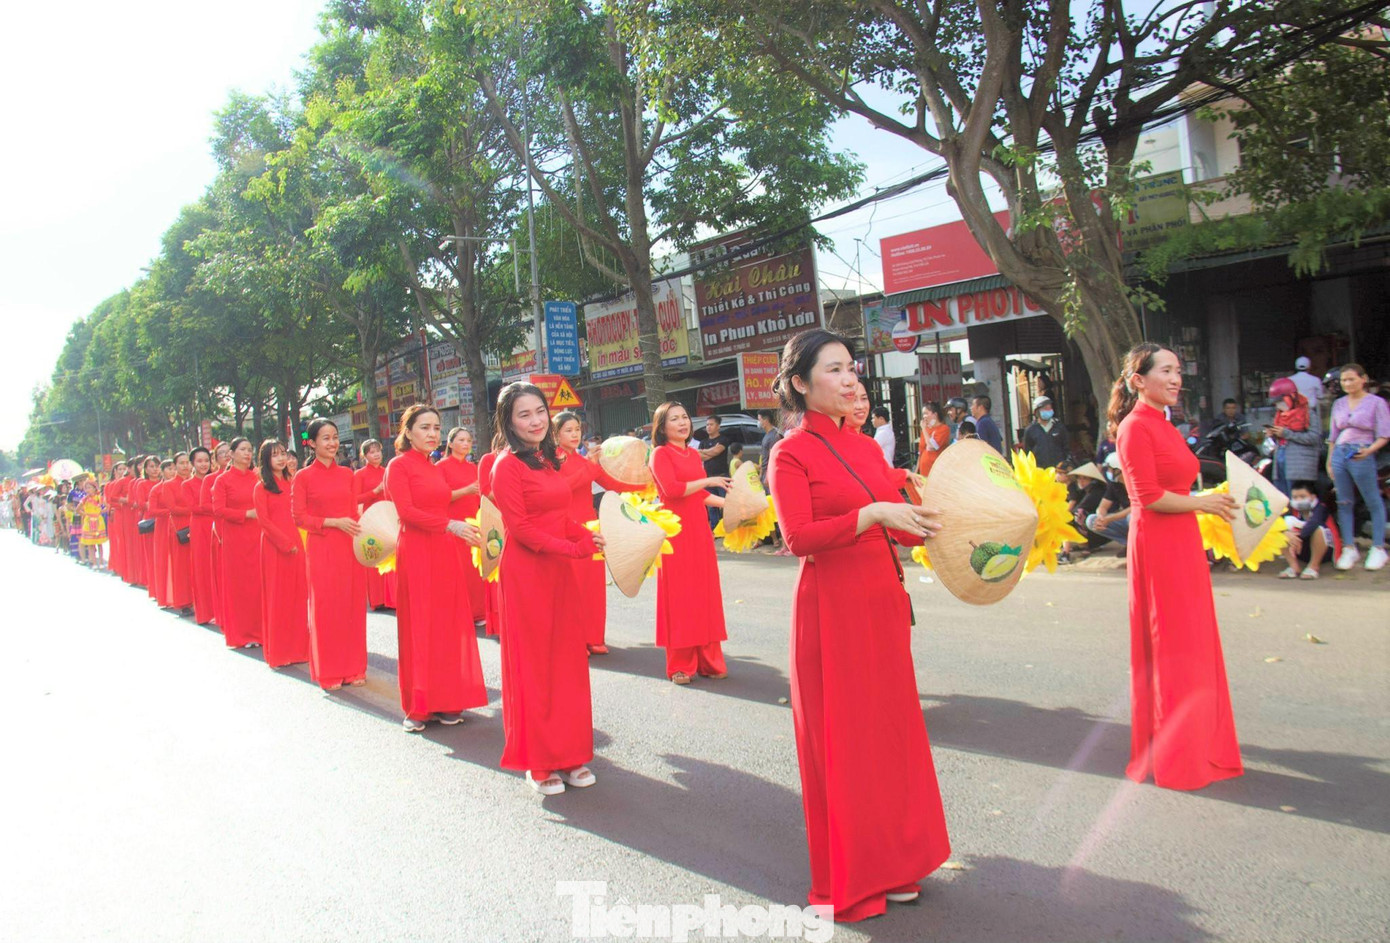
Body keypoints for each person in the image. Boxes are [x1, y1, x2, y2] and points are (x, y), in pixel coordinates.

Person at [766, 328, 950, 921]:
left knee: (889, 736)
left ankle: (899, 860)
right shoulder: (789, 452)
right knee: (848, 744)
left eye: (852, 368)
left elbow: (899, 527)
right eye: (835, 370)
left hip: (880, 602)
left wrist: (934, 516)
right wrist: (871, 511)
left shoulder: (868, 447)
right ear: (800, 383)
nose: (850, 380)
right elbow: (798, 538)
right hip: (832, 609)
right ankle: (859, 873)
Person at [1112, 342, 1243, 790]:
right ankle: (1178, 753)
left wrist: (1211, 503)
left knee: (1194, 640)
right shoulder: (1134, 428)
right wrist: (1202, 504)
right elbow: (1147, 497)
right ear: (1138, 381)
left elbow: (1181, 482)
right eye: (1165, 370)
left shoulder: (1166, 425)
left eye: (1178, 370)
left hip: (1183, 540)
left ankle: (1202, 738)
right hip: (1158, 546)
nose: (1175, 378)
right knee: (1172, 645)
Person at [490, 383, 605, 795]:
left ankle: (572, 753)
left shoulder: (546, 459)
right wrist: (571, 549)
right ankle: (540, 763)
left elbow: (560, 514)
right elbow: (520, 529)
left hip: (558, 568)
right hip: (527, 572)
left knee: (566, 664)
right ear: (508, 420)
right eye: (524, 414)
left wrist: (587, 535)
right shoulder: (506, 466)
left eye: (540, 411)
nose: (536, 421)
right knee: (536, 667)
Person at [386, 405, 488, 733]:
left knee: (446, 625)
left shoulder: (433, 467)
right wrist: (449, 526)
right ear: (408, 431)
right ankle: (418, 706)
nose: (432, 433)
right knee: (421, 624)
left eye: (436, 427)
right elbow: (406, 512)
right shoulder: (399, 466)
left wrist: (461, 531)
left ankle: (447, 700)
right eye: (424, 427)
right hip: (417, 550)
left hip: (445, 550)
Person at [650, 401, 732, 685]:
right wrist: (709, 480)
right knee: (681, 597)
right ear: (662, 427)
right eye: (674, 419)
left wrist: (732, 505)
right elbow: (672, 491)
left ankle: (710, 661)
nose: (683, 423)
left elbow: (698, 496)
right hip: (675, 534)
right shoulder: (660, 454)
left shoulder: (692, 455)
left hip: (699, 530)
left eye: (684, 417)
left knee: (704, 594)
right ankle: (681, 664)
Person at [554, 411, 643, 655]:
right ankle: (573, 640)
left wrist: (647, 483)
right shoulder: (551, 461)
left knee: (592, 585)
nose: (574, 434)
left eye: (577, 430)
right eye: (568, 430)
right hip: (564, 528)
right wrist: (589, 468)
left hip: (590, 526)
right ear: (556, 434)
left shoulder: (586, 461)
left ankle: (593, 636)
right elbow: (560, 489)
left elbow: (613, 484)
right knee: (571, 586)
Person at [292, 419, 369, 690]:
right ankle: (329, 671)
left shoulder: (348, 474)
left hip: (349, 546)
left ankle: (354, 667)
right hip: (323, 547)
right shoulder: (303, 477)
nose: (332, 443)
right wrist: (331, 522)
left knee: (351, 606)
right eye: (325, 438)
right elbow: (299, 517)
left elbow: (353, 512)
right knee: (327, 608)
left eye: (335, 437)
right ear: (312, 443)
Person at [253, 439, 310, 669]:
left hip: (299, 543)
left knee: (298, 596)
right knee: (279, 598)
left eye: (283, 454)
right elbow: (264, 521)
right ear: (266, 459)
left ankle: (299, 649)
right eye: (275, 455)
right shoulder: (261, 487)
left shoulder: (293, 482)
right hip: (275, 547)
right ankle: (279, 652)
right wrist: (285, 543)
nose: (280, 458)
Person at [1326, 363, 1389, 571]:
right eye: (1344, 380)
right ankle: (1349, 547)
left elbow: (1384, 434)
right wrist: (1330, 459)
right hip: (1340, 453)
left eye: (1351, 379)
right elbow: (1333, 436)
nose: (1347, 383)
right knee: (1343, 502)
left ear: (1363, 379)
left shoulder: (1376, 402)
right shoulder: (1339, 404)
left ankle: (1378, 547)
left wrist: (1369, 451)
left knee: (1372, 500)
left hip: (1361, 452)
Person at [211, 438, 264, 650]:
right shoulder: (223, 481)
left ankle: (262, 629)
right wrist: (246, 514)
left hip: (258, 534)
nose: (247, 453)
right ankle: (242, 634)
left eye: (250, 449)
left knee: (259, 582)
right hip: (236, 537)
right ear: (231, 454)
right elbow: (218, 510)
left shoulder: (257, 477)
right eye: (242, 449)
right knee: (241, 585)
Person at [438, 427, 487, 630]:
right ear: (450, 444)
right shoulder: (441, 467)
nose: (466, 444)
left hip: (471, 521)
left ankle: (477, 612)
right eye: (461, 440)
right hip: (452, 524)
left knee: (474, 570)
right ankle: (459, 612)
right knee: (456, 569)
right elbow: (439, 497)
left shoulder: (471, 467)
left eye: (468, 440)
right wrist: (465, 490)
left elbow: (479, 496)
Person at [354, 439, 397, 611]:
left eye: (378, 450)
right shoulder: (360, 474)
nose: (376, 454)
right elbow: (355, 498)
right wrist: (375, 492)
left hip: (388, 517)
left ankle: (391, 597)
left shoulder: (387, 471)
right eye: (371, 452)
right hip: (371, 520)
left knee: (390, 556)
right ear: (364, 455)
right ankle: (377, 598)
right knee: (374, 554)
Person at [1265, 377, 1320, 498]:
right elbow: (1282, 438)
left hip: (1299, 465)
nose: (1277, 406)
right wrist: (1274, 434)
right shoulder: (1280, 416)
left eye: (1279, 402)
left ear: (1290, 398)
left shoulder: (1307, 413)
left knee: (1297, 501)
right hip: (1281, 461)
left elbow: (1314, 437)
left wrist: (1287, 433)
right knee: (1283, 499)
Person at [476, 435, 506, 638]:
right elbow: (485, 492)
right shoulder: (488, 459)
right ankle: (499, 620)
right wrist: (512, 492)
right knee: (496, 569)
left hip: (517, 518)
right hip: (494, 519)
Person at [184, 447, 217, 626]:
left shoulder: (215, 480)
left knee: (217, 567)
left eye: (206, 460)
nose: (204, 464)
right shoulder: (187, 484)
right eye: (199, 461)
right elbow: (193, 507)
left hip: (217, 525)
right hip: (199, 528)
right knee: (202, 568)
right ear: (192, 464)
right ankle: (205, 611)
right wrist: (220, 508)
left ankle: (219, 610)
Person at [1279, 481, 1338, 580]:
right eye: (1295, 497)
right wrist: (1287, 534)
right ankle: (1294, 566)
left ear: (1313, 497)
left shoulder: (1320, 508)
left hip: (1324, 550)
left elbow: (1313, 524)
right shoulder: (1290, 510)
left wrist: (1297, 537)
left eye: (1302, 497)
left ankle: (1313, 566)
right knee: (1281, 532)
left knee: (1318, 529)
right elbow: (1278, 525)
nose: (1298, 500)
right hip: (1299, 549)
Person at [201, 442, 232, 627]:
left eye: (228, 451)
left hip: (247, 528)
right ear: (216, 458)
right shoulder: (212, 479)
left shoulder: (252, 475)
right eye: (221, 453)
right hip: (220, 526)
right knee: (222, 571)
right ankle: (222, 612)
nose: (226, 455)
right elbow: (206, 505)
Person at [163, 452, 194, 612]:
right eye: (181, 463)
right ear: (175, 466)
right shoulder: (169, 485)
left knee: (195, 565)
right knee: (181, 566)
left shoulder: (197, 482)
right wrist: (194, 509)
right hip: (179, 526)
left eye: (188, 462)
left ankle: (197, 599)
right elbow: (172, 508)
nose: (185, 466)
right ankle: (184, 602)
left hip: (197, 525)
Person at [1085, 452, 1132, 551]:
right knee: (1091, 520)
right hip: (1123, 519)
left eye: (1110, 469)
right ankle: (1128, 543)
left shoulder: (1135, 482)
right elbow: (1103, 506)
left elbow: (1135, 508)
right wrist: (1101, 517)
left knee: (1131, 517)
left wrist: (1110, 519)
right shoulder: (1114, 485)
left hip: (1136, 519)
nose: (1108, 472)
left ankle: (1137, 544)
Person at [149, 459, 176, 606]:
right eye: (169, 469)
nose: (172, 472)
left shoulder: (180, 486)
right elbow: (152, 510)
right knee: (163, 560)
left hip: (177, 525)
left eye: (174, 468)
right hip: (163, 526)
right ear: (162, 471)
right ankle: (164, 595)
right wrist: (171, 511)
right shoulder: (157, 489)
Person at [698, 415, 730, 529]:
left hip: (722, 477)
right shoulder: (703, 442)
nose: (708, 427)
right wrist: (708, 452)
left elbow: (717, 451)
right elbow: (700, 457)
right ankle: (715, 529)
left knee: (726, 503)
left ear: (718, 426)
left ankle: (727, 527)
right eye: (707, 425)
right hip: (708, 478)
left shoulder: (723, 439)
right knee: (711, 505)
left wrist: (704, 452)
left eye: (711, 424)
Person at [1021, 395, 1069, 468]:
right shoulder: (1030, 430)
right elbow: (1027, 452)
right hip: (1039, 471)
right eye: (1045, 409)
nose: (1048, 410)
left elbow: (1066, 448)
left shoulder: (1059, 427)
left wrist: (1065, 464)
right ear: (1036, 412)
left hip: (1058, 470)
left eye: (1050, 408)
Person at [77, 478, 107, 569]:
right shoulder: (84, 499)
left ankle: (101, 561)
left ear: (94, 488)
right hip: (88, 521)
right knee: (90, 544)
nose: (88, 490)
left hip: (98, 521)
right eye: (86, 488)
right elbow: (78, 509)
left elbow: (107, 506)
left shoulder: (99, 497)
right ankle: (93, 562)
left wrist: (100, 512)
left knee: (99, 543)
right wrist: (85, 514)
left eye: (89, 487)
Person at [917, 401, 950, 479]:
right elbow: (921, 452)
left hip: (935, 471)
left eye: (926, 413)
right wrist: (916, 470)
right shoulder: (925, 430)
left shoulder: (943, 428)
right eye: (923, 414)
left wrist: (924, 429)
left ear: (935, 414)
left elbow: (932, 446)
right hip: (924, 471)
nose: (924, 416)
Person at [1289, 356, 1324, 424]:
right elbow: (1320, 396)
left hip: (1293, 413)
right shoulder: (1315, 380)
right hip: (1310, 412)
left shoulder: (1289, 380)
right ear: (1309, 366)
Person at [756, 410, 782, 487]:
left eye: (759, 419)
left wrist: (767, 475)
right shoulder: (767, 435)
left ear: (766, 420)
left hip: (769, 475)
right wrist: (761, 473)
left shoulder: (774, 436)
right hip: (765, 474)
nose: (758, 422)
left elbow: (773, 458)